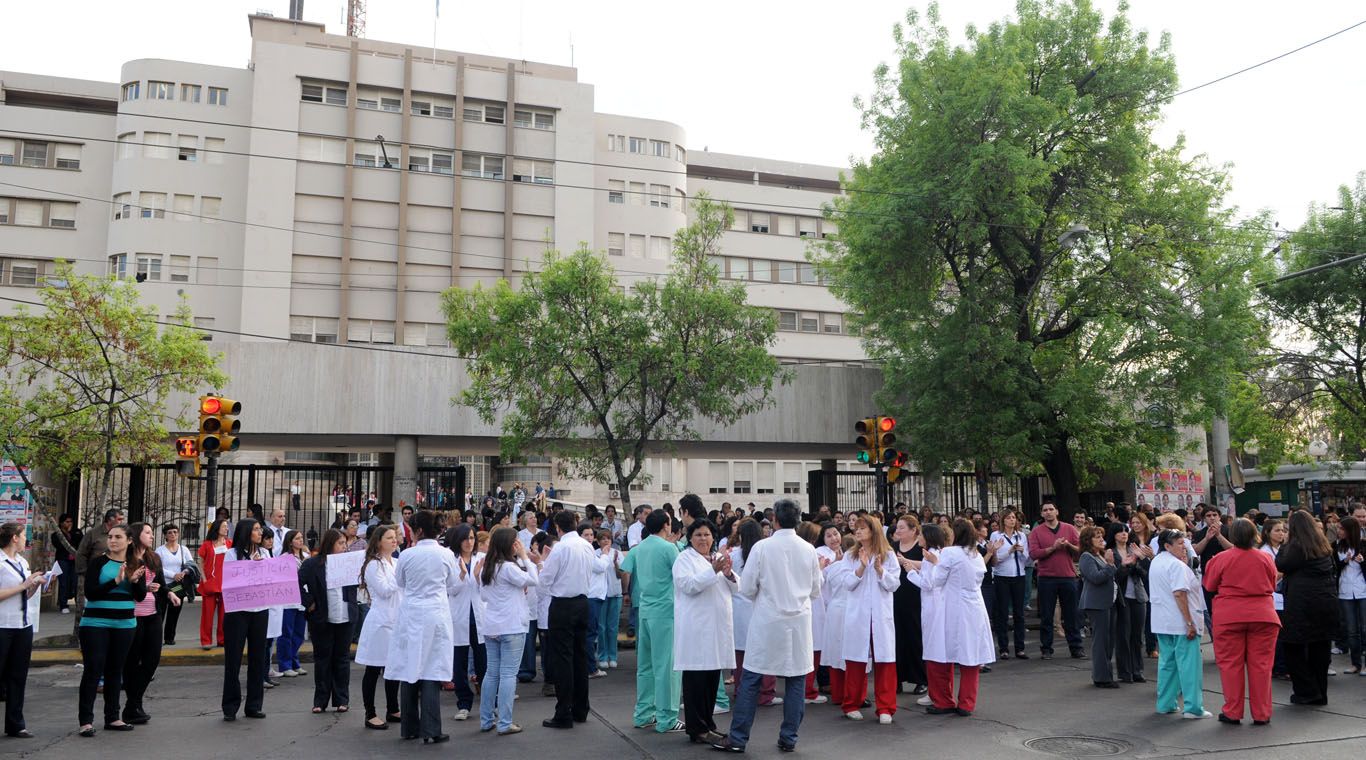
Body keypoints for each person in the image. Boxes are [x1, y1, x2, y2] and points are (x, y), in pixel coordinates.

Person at [712, 499, 822, 754]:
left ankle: (738, 738)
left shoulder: (763, 547)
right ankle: (789, 737)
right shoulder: (808, 549)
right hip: (798, 622)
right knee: (795, 680)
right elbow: (816, 590)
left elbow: (748, 587)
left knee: (751, 678)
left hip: (768, 620)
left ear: (775, 520)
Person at [908, 519, 994, 717]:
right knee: (970, 658)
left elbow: (937, 580)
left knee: (939, 654)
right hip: (974, 606)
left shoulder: (950, 552)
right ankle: (966, 703)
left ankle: (943, 700)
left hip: (952, 607)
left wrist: (929, 564)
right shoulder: (975, 554)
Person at [387, 511, 458, 743]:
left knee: (411, 666)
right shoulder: (445, 554)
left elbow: (400, 582)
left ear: (417, 530)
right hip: (436, 613)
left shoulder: (407, 554)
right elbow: (453, 584)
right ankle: (432, 729)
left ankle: (409, 727)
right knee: (432, 669)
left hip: (412, 612)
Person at [1202, 517, 1279, 725]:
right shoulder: (1265, 558)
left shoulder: (1221, 558)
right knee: (1261, 665)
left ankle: (1232, 711)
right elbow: (1272, 584)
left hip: (1229, 615)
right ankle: (1262, 713)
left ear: (1232, 536)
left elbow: (1209, 585)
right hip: (1263, 614)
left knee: (1230, 665)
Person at [77, 523, 145, 737]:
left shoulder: (136, 563)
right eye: (110, 536)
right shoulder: (99, 563)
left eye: (118, 537)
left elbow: (140, 596)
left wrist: (133, 582)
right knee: (94, 669)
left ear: (129, 541)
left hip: (124, 624)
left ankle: (113, 718)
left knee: (116, 671)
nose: (112, 540)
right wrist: (116, 581)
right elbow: (91, 593)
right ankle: (86, 721)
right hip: (95, 623)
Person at [621, 509, 685, 733]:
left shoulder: (639, 548)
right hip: (665, 611)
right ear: (666, 525)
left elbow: (624, 569)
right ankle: (667, 717)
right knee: (666, 667)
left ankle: (643, 713)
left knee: (646, 666)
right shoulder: (669, 548)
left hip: (645, 610)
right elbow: (682, 576)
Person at [673, 518, 736, 743]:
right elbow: (689, 586)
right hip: (697, 629)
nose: (703, 539)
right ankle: (697, 728)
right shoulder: (683, 560)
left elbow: (737, 587)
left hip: (717, 629)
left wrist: (728, 574)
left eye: (707, 534)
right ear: (690, 538)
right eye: (698, 535)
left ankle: (708, 723)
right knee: (696, 680)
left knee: (711, 679)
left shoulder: (718, 557)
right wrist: (712, 571)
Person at [478, 526, 541, 735]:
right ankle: (505, 722)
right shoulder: (508, 567)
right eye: (516, 543)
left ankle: (486, 719)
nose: (518, 546)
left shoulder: (489, 567)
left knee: (492, 673)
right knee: (507, 675)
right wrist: (525, 556)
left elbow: (484, 597)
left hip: (492, 625)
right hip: (512, 625)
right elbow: (534, 580)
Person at [839, 514, 901, 724]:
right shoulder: (850, 556)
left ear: (873, 531)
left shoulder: (888, 555)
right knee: (856, 661)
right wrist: (862, 567)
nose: (857, 532)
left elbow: (894, 585)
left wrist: (880, 570)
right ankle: (851, 704)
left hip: (881, 616)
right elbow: (847, 583)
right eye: (856, 528)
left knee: (885, 661)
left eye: (862, 528)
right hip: (858, 615)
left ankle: (885, 707)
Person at [1276, 509, 1340, 706]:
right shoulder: (1323, 546)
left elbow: (1282, 564)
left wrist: (1283, 545)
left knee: (1293, 648)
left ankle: (1306, 691)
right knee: (1320, 649)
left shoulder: (1295, 547)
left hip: (1302, 606)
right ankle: (1320, 692)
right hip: (1325, 603)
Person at [540, 509, 596, 729]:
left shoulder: (560, 547)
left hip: (563, 604)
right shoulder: (587, 546)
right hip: (583, 602)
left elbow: (545, 580)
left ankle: (563, 711)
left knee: (562, 659)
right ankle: (581, 708)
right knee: (580, 657)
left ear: (557, 527)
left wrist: (541, 563)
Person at [121, 522, 179, 724]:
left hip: (153, 614)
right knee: (131, 662)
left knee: (151, 660)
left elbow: (161, 584)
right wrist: (143, 586)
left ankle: (133, 703)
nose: (151, 536)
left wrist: (170, 593)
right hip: (132, 616)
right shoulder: (126, 559)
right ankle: (133, 705)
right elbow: (127, 589)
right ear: (137, 535)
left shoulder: (153, 558)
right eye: (147, 532)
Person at [1149, 529, 1209, 719]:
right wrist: (1189, 622)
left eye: (1184, 542)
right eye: (1180, 543)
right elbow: (1179, 593)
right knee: (1189, 666)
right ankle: (1193, 708)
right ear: (1167, 546)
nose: (1185, 547)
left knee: (1167, 664)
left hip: (1162, 622)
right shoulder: (1176, 566)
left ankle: (1165, 703)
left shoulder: (1157, 562)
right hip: (1180, 623)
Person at [221, 518, 270, 722]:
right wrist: (252, 567)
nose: (260, 533)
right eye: (257, 529)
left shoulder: (266, 553)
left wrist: (262, 567)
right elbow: (231, 582)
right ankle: (230, 706)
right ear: (246, 532)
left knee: (258, 658)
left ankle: (254, 705)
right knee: (233, 659)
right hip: (238, 612)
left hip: (260, 610)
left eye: (260, 529)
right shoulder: (232, 554)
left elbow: (271, 579)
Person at [355, 525, 401, 729]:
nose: (394, 540)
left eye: (395, 537)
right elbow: (383, 590)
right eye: (389, 537)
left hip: (397, 619)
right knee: (374, 668)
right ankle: (370, 713)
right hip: (381, 621)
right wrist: (403, 579)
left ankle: (393, 708)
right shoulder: (374, 565)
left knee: (393, 668)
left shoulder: (397, 562)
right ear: (379, 541)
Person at [0, 523, 42, 738]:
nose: (26, 540)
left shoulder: (22, 562)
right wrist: (24, 585)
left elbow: (24, 595)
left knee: (18, 676)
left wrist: (35, 585)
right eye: (23, 535)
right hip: (2, 625)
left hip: (22, 625)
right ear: (14, 538)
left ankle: (16, 723)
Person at [729, 518, 776, 705]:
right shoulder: (766, 554)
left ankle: (742, 692)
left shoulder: (733, 556)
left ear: (740, 535)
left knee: (741, 656)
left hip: (739, 609)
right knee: (765, 652)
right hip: (762, 607)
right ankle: (766, 693)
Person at [1027, 502, 1082, 660]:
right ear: (1042, 514)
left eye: (1051, 509)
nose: (1049, 512)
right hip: (1046, 578)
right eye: (1045, 510)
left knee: (1071, 614)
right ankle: (1046, 649)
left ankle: (1076, 647)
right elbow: (1033, 554)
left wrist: (1068, 545)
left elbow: (1080, 550)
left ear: (1057, 511)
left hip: (1068, 576)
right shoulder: (1036, 532)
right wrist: (1053, 547)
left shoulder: (1069, 529)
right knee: (1046, 615)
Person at [445, 523, 486, 721]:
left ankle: (488, 703)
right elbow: (450, 590)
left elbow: (487, 590)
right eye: (465, 538)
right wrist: (462, 575)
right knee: (459, 664)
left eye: (471, 538)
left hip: (479, 618)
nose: (469, 542)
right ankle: (463, 703)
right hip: (459, 617)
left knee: (483, 663)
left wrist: (477, 577)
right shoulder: (451, 560)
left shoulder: (482, 559)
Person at [1078, 525, 1120, 688]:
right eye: (1097, 537)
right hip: (1096, 603)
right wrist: (1110, 565)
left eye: (1102, 536)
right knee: (1101, 641)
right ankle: (1101, 677)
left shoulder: (1100, 555)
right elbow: (1095, 578)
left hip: (1109, 601)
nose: (1102, 540)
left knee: (1108, 640)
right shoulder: (1086, 557)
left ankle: (1107, 674)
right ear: (1088, 541)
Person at [1110, 521, 1150, 684]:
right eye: (1119, 532)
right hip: (1121, 597)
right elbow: (1114, 576)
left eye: (1125, 531)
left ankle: (1137, 670)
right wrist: (1125, 566)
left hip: (1138, 596)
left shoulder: (1133, 549)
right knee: (1123, 635)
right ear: (1113, 535)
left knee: (1136, 635)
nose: (1123, 534)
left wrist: (1137, 562)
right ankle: (1125, 671)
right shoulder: (1111, 552)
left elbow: (1145, 573)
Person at [795, 521, 828, 705]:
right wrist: (821, 568)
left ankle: (806, 689)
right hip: (812, 605)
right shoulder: (811, 553)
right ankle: (808, 690)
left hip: (803, 605)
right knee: (813, 650)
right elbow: (816, 584)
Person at [989, 509, 1029, 659]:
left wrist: (1022, 551)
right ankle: (1004, 648)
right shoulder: (996, 535)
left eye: (1014, 518)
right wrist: (1010, 551)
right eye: (1009, 518)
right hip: (1002, 576)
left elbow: (1027, 559)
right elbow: (995, 559)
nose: (1012, 520)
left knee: (1019, 613)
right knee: (1003, 613)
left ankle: (1020, 647)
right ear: (1003, 520)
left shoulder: (1022, 535)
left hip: (1019, 576)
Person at [1334, 517, 1366, 674]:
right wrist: (1344, 561)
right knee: (1352, 630)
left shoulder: (1363, 545)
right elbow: (1334, 568)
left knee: (1365, 628)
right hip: (1345, 591)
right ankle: (1356, 663)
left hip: (1362, 590)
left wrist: (1362, 562)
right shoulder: (1337, 546)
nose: (1338, 531)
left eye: (1341, 528)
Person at [155, 524, 194, 645]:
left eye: (175, 532)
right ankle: (156, 639)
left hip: (177, 585)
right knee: (160, 612)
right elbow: (158, 568)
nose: (173, 534)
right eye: (170, 532)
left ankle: (169, 637)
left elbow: (191, 564)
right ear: (165, 535)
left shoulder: (184, 549)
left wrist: (183, 573)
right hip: (164, 585)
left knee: (174, 611)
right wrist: (173, 575)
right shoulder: (159, 550)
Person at [1260, 519, 1289, 680]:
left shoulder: (1282, 549)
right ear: (1267, 533)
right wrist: (1286, 569)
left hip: (1284, 596)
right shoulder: (1265, 552)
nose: (1281, 533)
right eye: (1277, 530)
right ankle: (1279, 667)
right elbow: (1271, 577)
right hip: (1274, 598)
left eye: (1283, 530)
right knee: (1278, 636)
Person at [277, 531, 308, 678]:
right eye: (297, 538)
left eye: (301, 538)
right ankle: (285, 664)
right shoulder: (284, 558)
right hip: (288, 602)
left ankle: (294, 661)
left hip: (302, 600)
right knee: (286, 633)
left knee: (299, 634)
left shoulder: (306, 557)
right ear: (290, 542)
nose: (300, 540)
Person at [592, 529, 624, 670]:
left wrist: (616, 564)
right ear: (598, 542)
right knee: (601, 627)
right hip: (601, 594)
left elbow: (622, 573)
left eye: (608, 538)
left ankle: (613, 656)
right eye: (603, 539)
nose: (606, 541)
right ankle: (602, 655)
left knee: (613, 627)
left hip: (615, 593)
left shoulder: (617, 553)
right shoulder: (595, 554)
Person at [197, 518, 231, 649]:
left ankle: (222, 639)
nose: (226, 528)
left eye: (226, 526)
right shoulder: (207, 544)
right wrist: (204, 579)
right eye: (224, 526)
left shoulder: (230, 544)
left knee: (224, 615)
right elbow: (200, 562)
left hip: (225, 584)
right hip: (210, 584)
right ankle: (206, 640)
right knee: (207, 615)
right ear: (217, 528)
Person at [50, 513, 82, 614]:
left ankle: (79, 604)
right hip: (63, 560)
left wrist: (71, 534)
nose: (69, 524)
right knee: (63, 582)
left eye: (70, 522)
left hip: (74, 560)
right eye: (67, 522)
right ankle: (63, 604)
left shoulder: (76, 532)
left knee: (76, 581)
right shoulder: (56, 534)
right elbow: (59, 546)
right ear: (61, 523)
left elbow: (81, 543)